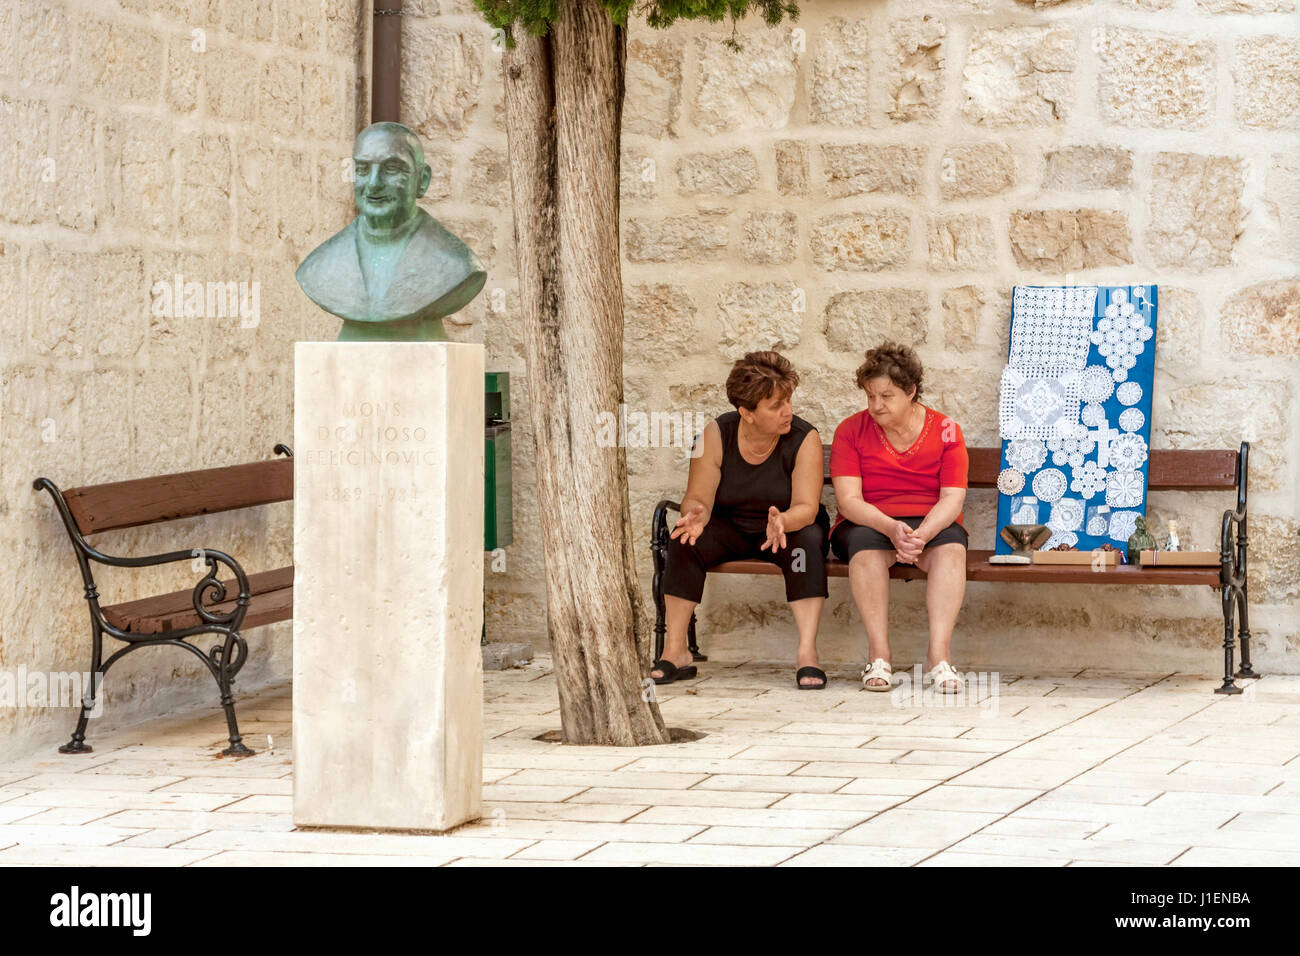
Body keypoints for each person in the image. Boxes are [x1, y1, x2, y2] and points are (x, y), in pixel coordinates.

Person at [656, 351, 831, 689]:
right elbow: (698, 497)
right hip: (730, 527)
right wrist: (697, 514)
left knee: (805, 546)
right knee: (684, 540)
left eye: (789, 400)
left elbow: (807, 507)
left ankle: (808, 654)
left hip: (784, 529)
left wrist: (784, 521)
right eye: (776, 405)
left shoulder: (804, 438)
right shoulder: (715, 434)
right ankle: (676, 649)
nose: (788, 410)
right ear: (747, 413)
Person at [829, 343, 969, 693]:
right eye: (871, 396)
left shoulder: (947, 430)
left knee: (952, 551)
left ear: (910, 392)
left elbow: (952, 498)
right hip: (869, 521)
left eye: (887, 396)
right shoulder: (850, 431)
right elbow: (848, 501)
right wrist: (891, 528)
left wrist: (921, 534)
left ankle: (939, 656)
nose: (877, 406)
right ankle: (879, 655)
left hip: (930, 521)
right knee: (864, 549)